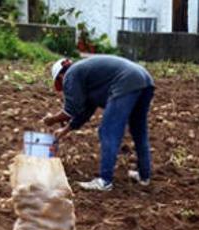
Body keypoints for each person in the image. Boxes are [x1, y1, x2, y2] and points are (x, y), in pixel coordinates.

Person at [42, 55, 155, 192]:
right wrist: (66, 129)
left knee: (108, 131)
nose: (65, 87)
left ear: (61, 76)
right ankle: (144, 176)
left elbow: (71, 110)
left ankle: (104, 181)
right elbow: (85, 111)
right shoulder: (88, 76)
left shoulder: (71, 74)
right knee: (139, 131)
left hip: (126, 82)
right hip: (145, 79)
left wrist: (52, 119)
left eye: (61, 83)